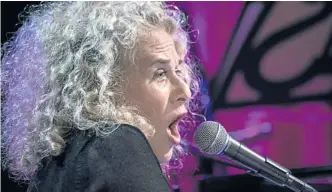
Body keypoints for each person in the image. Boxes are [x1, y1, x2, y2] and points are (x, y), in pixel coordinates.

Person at [1, 2, 205, 191]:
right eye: (160, 74)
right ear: (105, 86)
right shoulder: (117, 145)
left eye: (178, 70)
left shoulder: (55, 168)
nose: (185, 92)